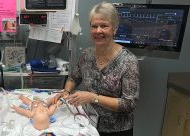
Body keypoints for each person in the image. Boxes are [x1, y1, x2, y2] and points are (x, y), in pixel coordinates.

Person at [52, 2, 140, 136]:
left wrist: (93, 98)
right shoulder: (86, 55)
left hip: (117, 130)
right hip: (89, 125)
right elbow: (74, 77)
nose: (98, 31)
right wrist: (66, 91)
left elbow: (129, 104)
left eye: (104, 26)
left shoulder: (128, 61)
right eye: (94, 26)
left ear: (114, 29)